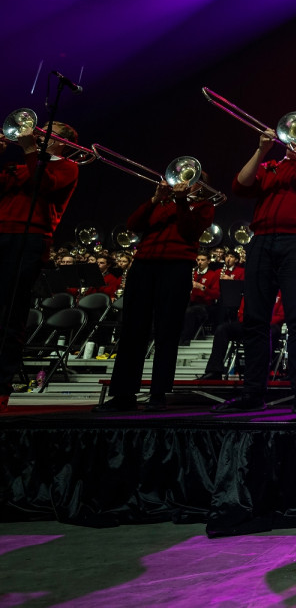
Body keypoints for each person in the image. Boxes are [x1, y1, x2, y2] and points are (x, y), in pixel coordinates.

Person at [212, 125, 296, 414]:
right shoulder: (270, 166)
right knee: (255, 320)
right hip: (262, 241)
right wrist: (261, 149)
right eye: (294, 137)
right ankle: (254, 393)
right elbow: (239, 186)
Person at [94, 175, 214, 410]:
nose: (183, 182)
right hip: (144, 264)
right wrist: (155, 199)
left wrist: (181, 201)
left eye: (191, 179)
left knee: (167, 330)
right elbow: (133, 225)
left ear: (201, 186)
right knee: (132, 330)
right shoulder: (162, 201)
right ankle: (123, 394)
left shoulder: (205, 205)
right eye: (180, 177)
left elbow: (189, 231)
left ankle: (158, 393)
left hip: (177, 266)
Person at [0, 125, 81, 410]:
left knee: (11, 313)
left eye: (49, 129)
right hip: (2, 233)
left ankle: (1, 388)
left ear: (64, 141)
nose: (39, 130)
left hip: (31, 239)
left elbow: (42, 185)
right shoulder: (20, 165)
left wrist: (31, 151)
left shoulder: (68, 166)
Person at [178, 250, 220, 346]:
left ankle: (185, 339)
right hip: (190, 302)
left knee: (190, 312)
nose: (200, 262)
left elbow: (216, 294)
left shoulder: (213, 275)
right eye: (198, 260)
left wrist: (202, 287)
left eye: (203, 260)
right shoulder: (192, 273)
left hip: (205, 305)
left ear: (208, 261)